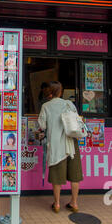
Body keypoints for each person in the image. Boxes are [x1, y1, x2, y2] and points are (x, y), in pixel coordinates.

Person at [38, 81, 83, 214]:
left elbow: (42, 125)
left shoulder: (46, 106)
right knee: (75, 175)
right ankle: (74, 203)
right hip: (71, 143)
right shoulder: (69, 104)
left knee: (57, 176)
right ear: (60, 91)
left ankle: (57, 204)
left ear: (49, 92)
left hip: (57, 145)